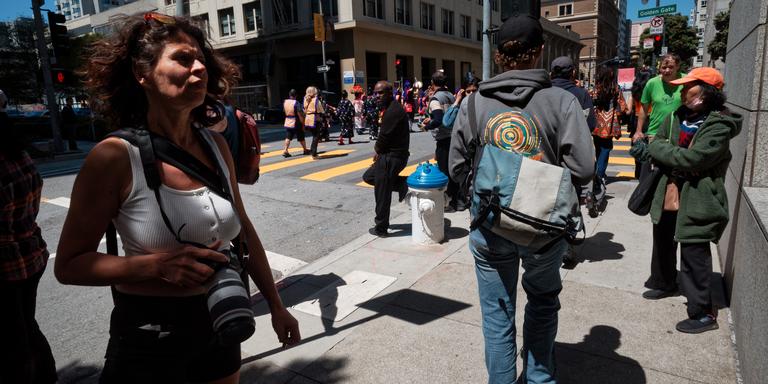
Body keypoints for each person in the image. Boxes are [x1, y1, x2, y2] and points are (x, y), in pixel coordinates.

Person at [54, 13, 300, 383]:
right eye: (183, 59)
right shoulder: (115, 157)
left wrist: (277, 305)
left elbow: (243, 233)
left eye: (201, 58)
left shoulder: (216, 145)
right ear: (143, 74)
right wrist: (157, 266)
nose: (199, 67)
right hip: (148, 334)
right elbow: (69, 265)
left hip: (222, 317)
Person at [448, 14, 594, 382]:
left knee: (498, 316)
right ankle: (540, 378)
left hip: (491, 225)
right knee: (543, 304)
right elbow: (584, 168)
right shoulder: (560, 101)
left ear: (498, 55)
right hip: (543, 229)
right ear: (540, 51)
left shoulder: (474, 103)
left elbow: (456, 165)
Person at [639, 67, 741, 334]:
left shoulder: (719, 124)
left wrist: (667, 153)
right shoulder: (676, 116)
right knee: (662, 237)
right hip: (669, 189)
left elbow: (696, 159)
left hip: (699, 196)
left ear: (706, 93)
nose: (682, 92)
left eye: (689, 87)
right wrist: (670, 154)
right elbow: (656, 142)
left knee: (694, 251)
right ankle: (664, 282)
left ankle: (703, 312)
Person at [1, 111, 57, 384]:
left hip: (8, 265)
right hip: (31, 255)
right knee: (26, 328)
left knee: (13, 342)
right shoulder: (19, 156)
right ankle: (46, 376)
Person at [362, 81, 410, 237]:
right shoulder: (390, 108)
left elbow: (383, 137)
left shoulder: (393, 111)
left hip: (392, 158)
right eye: (375, 93)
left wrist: (377, 151)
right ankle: (402, 184)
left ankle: (381, 227)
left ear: (390, 93)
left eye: (380, 93)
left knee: (382, 193)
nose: (376, 96)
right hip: (390, 155)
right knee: (369, 177)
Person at [588, 65, 628, 217]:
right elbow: (623, 107)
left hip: (597, 125)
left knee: (598, 148)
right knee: (606, 149)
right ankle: (600, 176)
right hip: (610, 124)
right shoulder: (615, 89)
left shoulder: (596, 89)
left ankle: (596, 174)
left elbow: (589, 101)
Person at [422, 71, 461, 211]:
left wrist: (427, 126)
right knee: (454, 169)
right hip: (454, 136)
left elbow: (438, 120)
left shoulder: (435, 99)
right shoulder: (451, 95)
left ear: (432, 83)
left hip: (444, 139)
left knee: (445, 171)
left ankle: (450, 201)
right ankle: (457, 199)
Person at [632, 54, 684, 143]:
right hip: (655, 133)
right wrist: (638, 131)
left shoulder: (686, 80)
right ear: (659, 68)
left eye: (671, 67)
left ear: (677, 66)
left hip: (680, 133)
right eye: (664, 67)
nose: (667, 70)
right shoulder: (652, 83)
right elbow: (644, 109)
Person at [628, 69, 653, 178]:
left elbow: (629, 109)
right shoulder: (652, 89)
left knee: (638, 148)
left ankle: (638, 173)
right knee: (649, 149)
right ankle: (647, 173)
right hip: (650, 119)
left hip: (636, 121)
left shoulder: (635, 91)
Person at [282, 89, 309, 157]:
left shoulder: (285, 102)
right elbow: (299, 114)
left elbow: (284, 111)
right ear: (296, 96)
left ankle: (285, 150)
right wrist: (302, 122)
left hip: (288, 120)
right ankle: (305, 150)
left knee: (288, 136)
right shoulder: (296, 103)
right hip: (296, 122)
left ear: (289, 95)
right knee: (301, 136)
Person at [303, 86, 325, 158]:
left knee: (314, 136)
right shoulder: (316, 100)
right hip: (315, 119)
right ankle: (314, 153)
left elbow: (304, 109)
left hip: (307, 119)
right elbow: (321, 110)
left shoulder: (305, 99)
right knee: (316, 137)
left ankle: (313, 151)